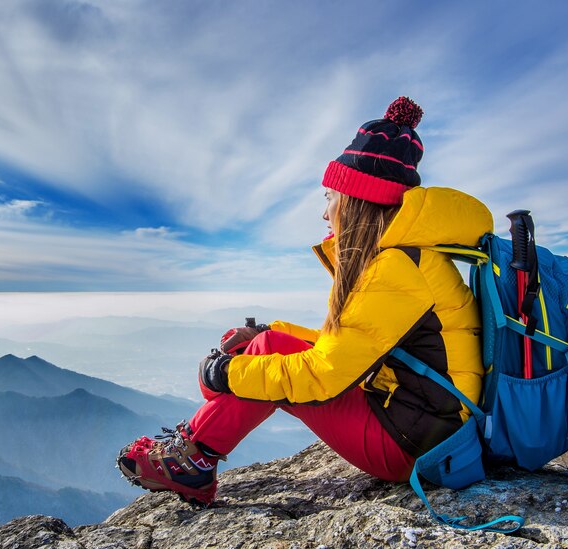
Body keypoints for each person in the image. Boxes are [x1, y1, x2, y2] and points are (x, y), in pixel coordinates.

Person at [117, 97, 493, 506]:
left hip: (414, 445)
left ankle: (191, 463)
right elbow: (354, 344)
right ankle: (194, 455)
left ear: (355, 199)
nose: (325, 213)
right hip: (416, 419)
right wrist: (270, 335)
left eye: (329, 197)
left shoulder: (394, 269)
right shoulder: (403, 257)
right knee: (267, 349)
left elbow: (324, 375)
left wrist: (226, 375)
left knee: (268, 369)